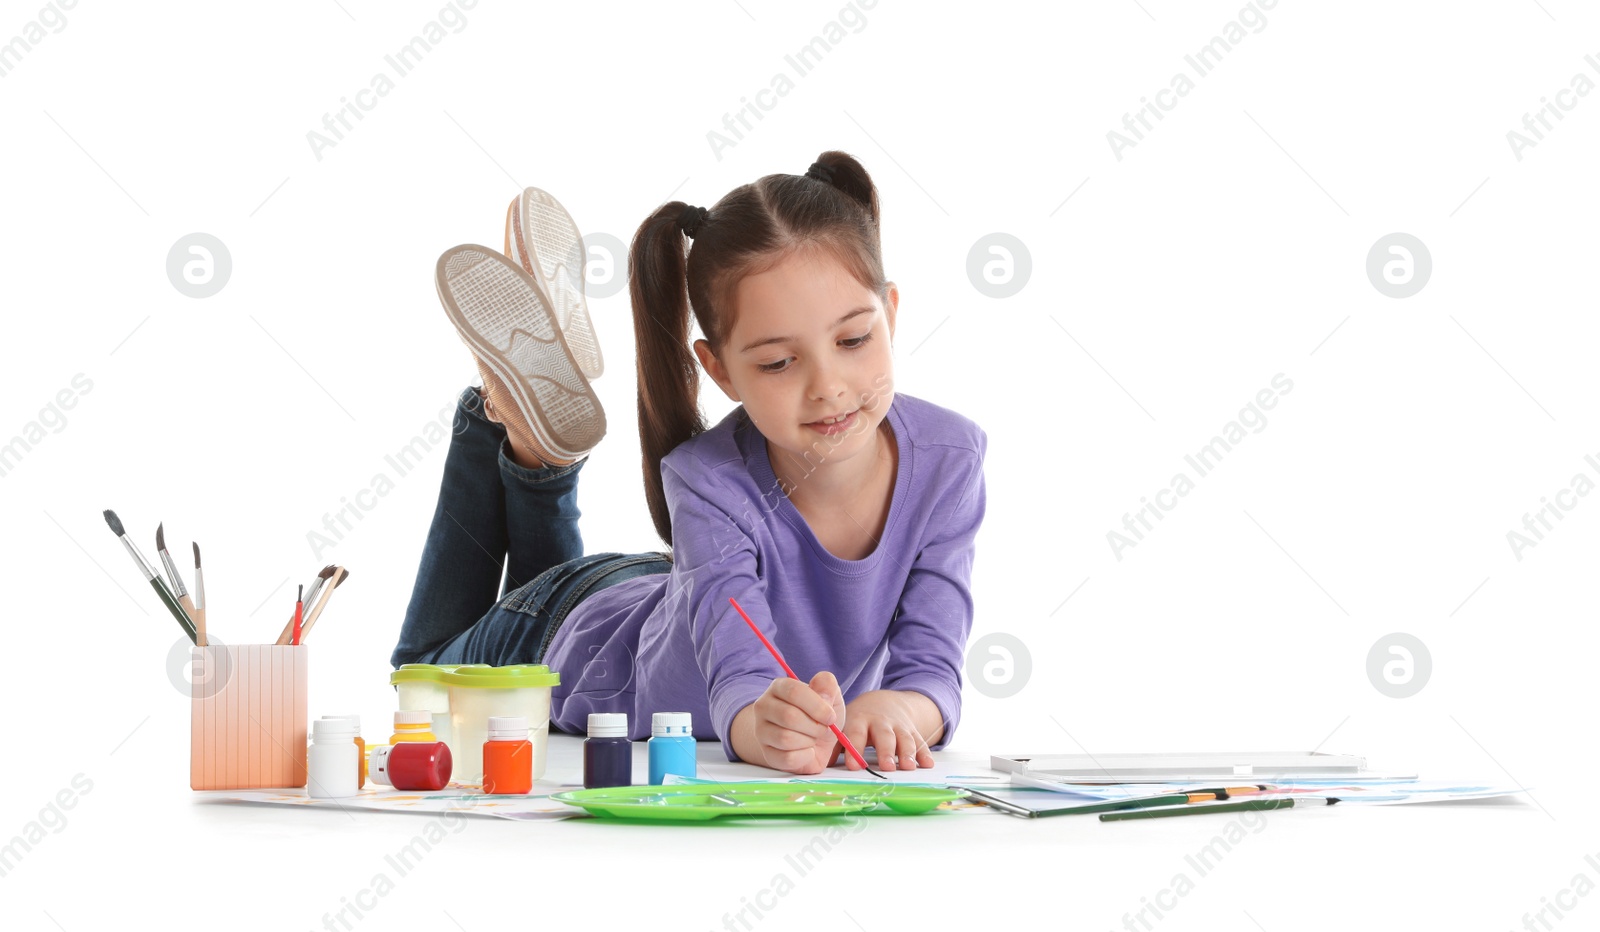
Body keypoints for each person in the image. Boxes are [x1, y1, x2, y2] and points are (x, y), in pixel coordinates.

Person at [390, 150, 987, 775]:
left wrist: (902, 708)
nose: (829, 386)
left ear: (890, 313)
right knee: (418, 667)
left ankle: (539, 455)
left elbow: (932, 669)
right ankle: (494, 420)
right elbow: (739, 680)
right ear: (719, 369)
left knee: (548, 591)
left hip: (660, 592)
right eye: (779, 362)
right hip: (572, 640)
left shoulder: (950, 461)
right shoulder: (707, 481)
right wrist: (763, 726)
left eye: (854, 339)